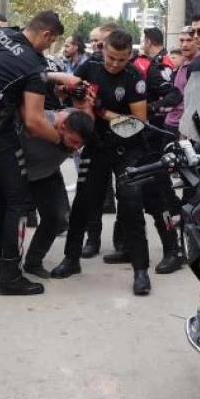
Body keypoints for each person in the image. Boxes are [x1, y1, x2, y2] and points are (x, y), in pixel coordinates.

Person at [0, 10, 65, 296]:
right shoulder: (34, 65)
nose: (49, 48)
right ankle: (10, 275)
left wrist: (55, 77)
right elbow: (34, 120)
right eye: (51, 42)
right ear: (47, 35)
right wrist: (61, 142)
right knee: (19, 200)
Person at [51, 30, 154, 296]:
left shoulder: (134, 77)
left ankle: (141, 270)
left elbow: (138, 122)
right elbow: (70, 91)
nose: (114, 64)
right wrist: (67, 91)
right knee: (83, 203)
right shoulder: (91, 66)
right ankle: (71, 259)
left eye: (121, 59)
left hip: (127, 149)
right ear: (103, 50)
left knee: (131, 205)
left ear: (129, 56)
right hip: (96, 147)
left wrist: (103, 112)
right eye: (111, 58)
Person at [103, 26, 182, 275]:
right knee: (127, 197)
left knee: (156, 199)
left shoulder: (148, 69)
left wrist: (150, 108)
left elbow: (174, 94)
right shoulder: (106, 69)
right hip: (123, 143)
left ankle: (174, 250)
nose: (116, 62)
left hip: (149, 142)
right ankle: (126, 246)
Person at [21, 110, 94, 279]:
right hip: (18, 175)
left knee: (58, 219)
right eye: (74, 142)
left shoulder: (76, 125)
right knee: (12, 219)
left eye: (80, 145)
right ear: (61, 128)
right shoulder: (37, 121)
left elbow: (85, 107)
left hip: (48, 174)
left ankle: (33, 261)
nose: (76, 149)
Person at [79, 22, 120, 259]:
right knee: (93, 193)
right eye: (96, 43)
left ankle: (122, 243)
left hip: (125, 141)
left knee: (126, 195)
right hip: (96, 139)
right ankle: (92, 239)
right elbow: (70, 84)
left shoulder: (132, 68)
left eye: (101, 42)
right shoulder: (91, 64)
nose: (96, 46)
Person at [164, 26, 200, 135]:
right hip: (171, 123)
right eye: (181, 40)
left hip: (187, 129)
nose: (184, 44)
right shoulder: (181, 63)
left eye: (189, 40)